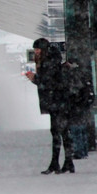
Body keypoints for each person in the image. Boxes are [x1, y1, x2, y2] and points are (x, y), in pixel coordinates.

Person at [25, 39, 74, 174]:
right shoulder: (53, 61)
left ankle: (59, 162)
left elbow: (47, 82)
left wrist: (34, 79)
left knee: (57, 132)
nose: (35, 52)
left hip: (56, 101)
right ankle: (65, 162)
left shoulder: (49, 63)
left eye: (37, 50)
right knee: (61, 132)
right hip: (58, 101)